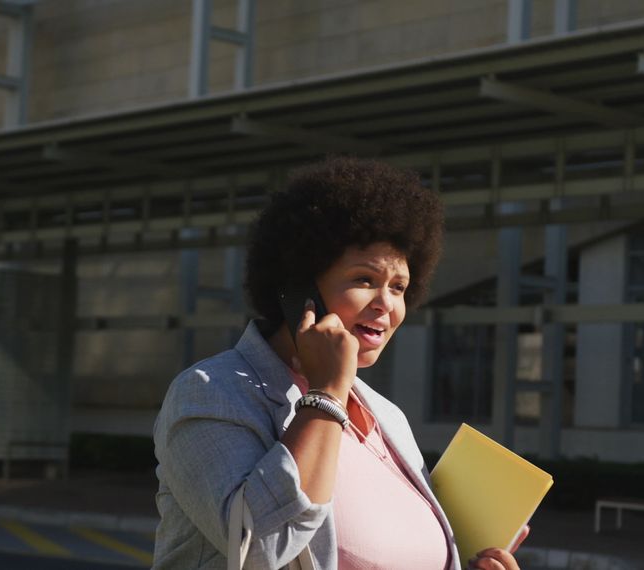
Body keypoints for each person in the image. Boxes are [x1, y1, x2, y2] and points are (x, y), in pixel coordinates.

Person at [152, 157, 528, 569]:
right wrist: (325, 395)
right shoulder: (211, 391)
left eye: (399, 287)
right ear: (300, 290)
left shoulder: (387, 417)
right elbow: (259, 547)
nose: (386, 304)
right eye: (364, 280)